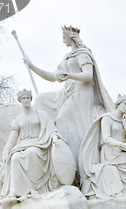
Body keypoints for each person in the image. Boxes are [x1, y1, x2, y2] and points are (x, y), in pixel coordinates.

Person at [23, 25, 114, 180]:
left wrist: (69, 75)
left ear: (70, 37)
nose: (62, 39)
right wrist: (32, 67)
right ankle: (44, 147)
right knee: (40, 100)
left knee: (62, 119)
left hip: (82, 93)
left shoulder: (84, 54)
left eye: (64, 36)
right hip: (66, 92)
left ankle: (76, 165)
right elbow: (53, 76)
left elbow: (88, 75)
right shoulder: (66, 57)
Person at [1, 89, 60, 200]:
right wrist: (7, 149)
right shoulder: (17, 119)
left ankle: (34, 188)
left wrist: (55, 137)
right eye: (24, 98)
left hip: (38, 144)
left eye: (28, 98)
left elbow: (52, 130)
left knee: (31, 152)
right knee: (15, 158)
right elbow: (12, 139)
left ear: (31, 99)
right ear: (20, 101)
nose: (26, 100)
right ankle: (15, 191)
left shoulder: (41, 115)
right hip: (22, 145)